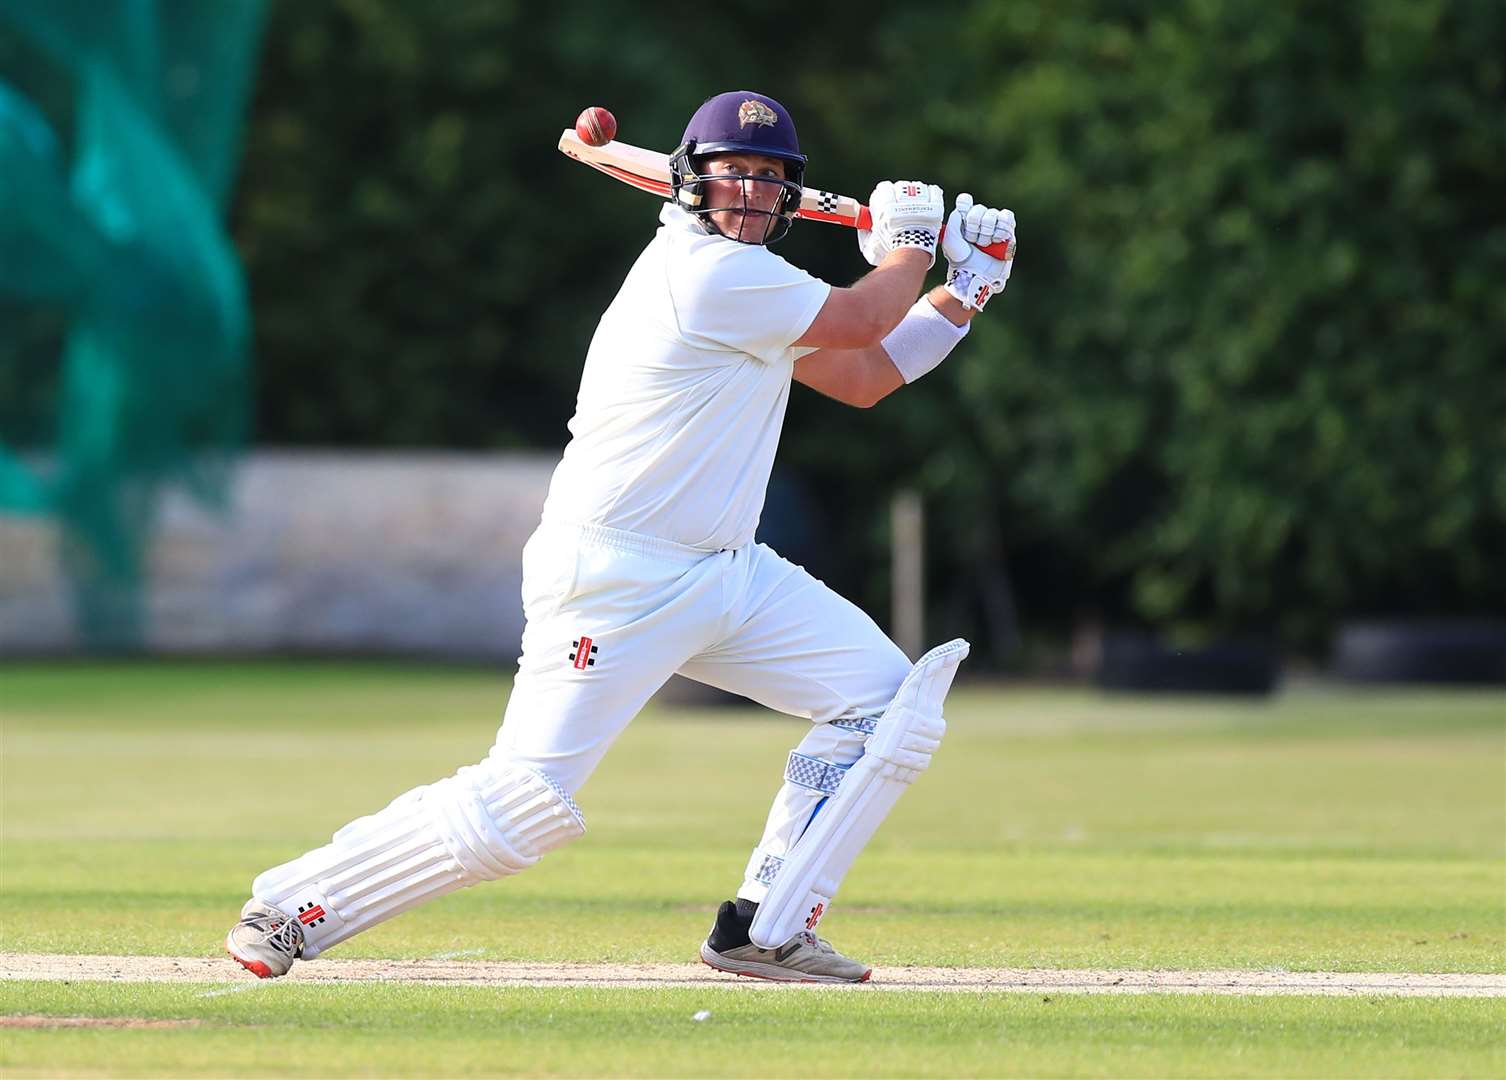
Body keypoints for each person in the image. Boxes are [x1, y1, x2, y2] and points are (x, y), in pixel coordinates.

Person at [225, 90, 1016, 984]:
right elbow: (864, 319)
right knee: (524, 806)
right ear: (689, 181)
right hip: (617, 578)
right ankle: (290, 909)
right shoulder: (709, 276)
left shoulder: (757, 289)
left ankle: (767, 925)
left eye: (769, 178)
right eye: (732, 174)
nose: (751, 192)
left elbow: (869, 374)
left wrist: (964, 291)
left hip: (728, 573)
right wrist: (911, 247)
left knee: (881, 707)